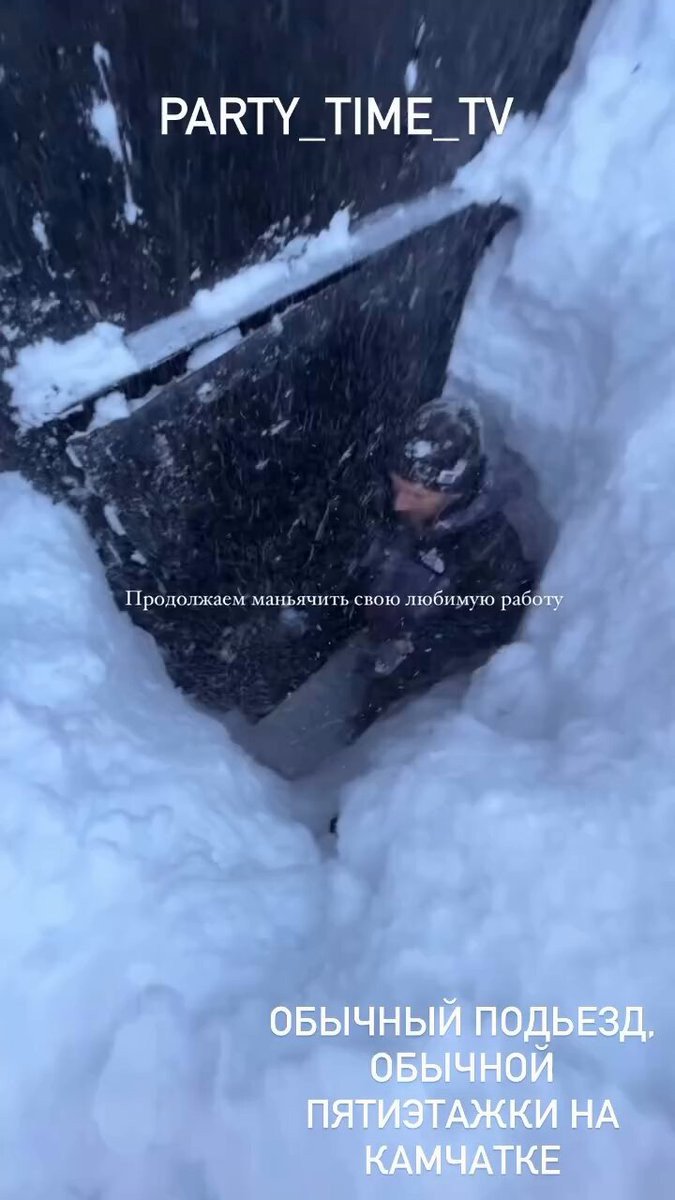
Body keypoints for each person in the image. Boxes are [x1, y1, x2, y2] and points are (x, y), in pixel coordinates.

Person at [352, 384, 555, 732]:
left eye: (416, 495)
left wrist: (415, 648)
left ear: (455, 491)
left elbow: (486, 624)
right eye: (397, 486)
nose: (399, 503)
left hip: (417, 663)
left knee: (383, 714)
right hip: (378, 623)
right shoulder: (393, 498)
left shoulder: (492, 546)